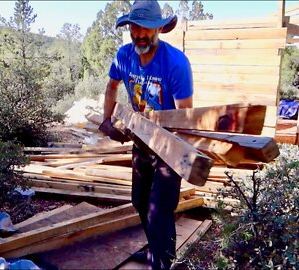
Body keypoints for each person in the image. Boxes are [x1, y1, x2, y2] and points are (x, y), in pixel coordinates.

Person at [98, 0, 193, 269]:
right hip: (141, 139)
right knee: (139, 201)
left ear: (159, 30)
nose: (139, 34)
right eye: (134, 28)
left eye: (146, 29)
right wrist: (108, 120)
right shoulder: (124, 56)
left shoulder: (175, 63)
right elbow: (111, 86)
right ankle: (155, 252)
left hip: (169, 144)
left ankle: (164, 263)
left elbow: (186, 114)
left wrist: (179, 154)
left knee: (159, 211)